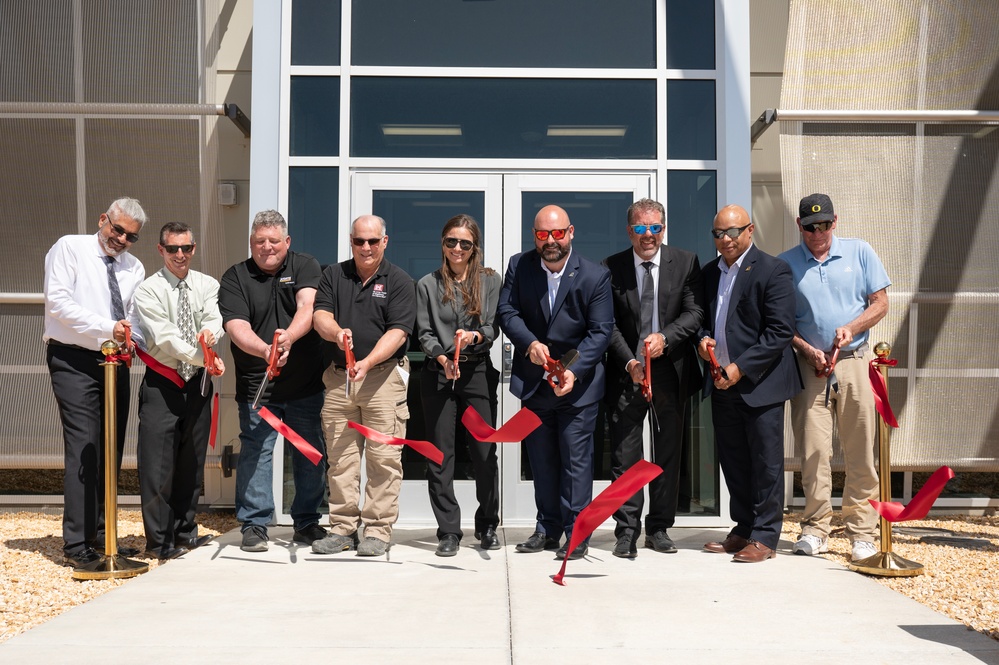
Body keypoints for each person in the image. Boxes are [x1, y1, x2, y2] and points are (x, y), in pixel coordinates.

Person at [497, 204, 614, 561]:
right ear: (534, 236)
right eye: (543, 234)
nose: (551, 241)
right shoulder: (520, 265)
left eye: (558, 233)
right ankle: (546, 528)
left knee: (575, 461)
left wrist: (572, 371)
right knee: (542, 461)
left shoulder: (595, 276)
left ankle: (576, 532)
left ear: (571, 233)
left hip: (577, 387)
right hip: (535, 383)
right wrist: (529, 343)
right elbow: (507, 311)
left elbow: (600, 332)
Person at [779, 193, 891, 562]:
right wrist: (805, 348)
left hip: (855, 360)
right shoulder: (786, 264)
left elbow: (880, 303)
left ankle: (862, 531)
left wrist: (851, 327)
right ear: (800, 226)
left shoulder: (859, 252)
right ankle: (815, 528)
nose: (818, 232)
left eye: (824, 224)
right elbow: (781, 323)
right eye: (810, 226)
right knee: (813, 451)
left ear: (834, 221)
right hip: (810, 367)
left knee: (860, 450)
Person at [44, 197, 148, 568]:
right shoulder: (70, 247)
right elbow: (57, 304)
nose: (120, 239)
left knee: (110, 447)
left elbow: (133, 317)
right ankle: (77, 544)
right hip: (73, 358)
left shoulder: (134, 267)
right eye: (116, 229)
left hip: (115, 362)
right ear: (103, 219)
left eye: (130, 236)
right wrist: (109, 328)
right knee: (85, 446)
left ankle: (105, 535)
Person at [218, 210, 328, 552]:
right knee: (256, 452)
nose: (267, 247)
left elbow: (307, 306)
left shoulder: (305, 265)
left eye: (274, 241)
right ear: (251, 243)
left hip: (305, 385)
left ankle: (307, 521)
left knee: (310, 453)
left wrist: (289, 339)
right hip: (258, 386)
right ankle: (255, 524)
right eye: (259, 241)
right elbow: (236, 328)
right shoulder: (236, 277)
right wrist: (267, 350)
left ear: (287, 242)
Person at [698, 204, 801, 563]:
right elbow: (704, 319)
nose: (724, 239)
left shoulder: (774, 270)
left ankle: (766, 536)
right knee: (734, 461)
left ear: (750, 230)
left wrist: (740, 368)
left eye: (731, 232)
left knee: (765, 462)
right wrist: (702, 339)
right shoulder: (710, 272)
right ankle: (743, 529)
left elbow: (779, 332)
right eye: (718, 234)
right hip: (721, 382)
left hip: (761, 383)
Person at [310, 215, 417, 558]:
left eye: (373, 241)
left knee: (384, 459)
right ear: (351, 242)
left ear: (385, 242)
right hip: (339, 378)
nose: (366, 247)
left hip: (382, 378)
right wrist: (337, 333)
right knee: (341, 460)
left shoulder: (399, 281)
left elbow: (398, 332)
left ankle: (377, 530)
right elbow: (319, 316)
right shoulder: (333, 275)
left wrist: (367, 362)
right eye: (359, 241)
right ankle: (342, 527)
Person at [603, 198, 704, 558]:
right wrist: (630, 361)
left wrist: (667, 337)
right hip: (628, 371)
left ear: (664, 228)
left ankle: (659, 527)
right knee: (625, 454)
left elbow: (695, 312)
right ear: (630, 230)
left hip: (669, 370)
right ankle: (626, 530)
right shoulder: (611, 268)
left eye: (655, 227)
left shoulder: (686, 262)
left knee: (667, 452)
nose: (649, 236)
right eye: (642, 228)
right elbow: (607, 325)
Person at [134, 222, 225, 560]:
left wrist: (209, 337)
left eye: (186, 248)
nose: (180, 255)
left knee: (192, 463)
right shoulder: (148, 290)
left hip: (198, 383)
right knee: (158, 467)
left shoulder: (207, 284)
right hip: (164, 383)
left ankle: (185, 532)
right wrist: (204, 355)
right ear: (161, 250)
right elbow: (165, 336)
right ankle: (159, 542)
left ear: (194, 248)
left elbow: (214, 320)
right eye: (173, 249)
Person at [416, 214, 502, 557]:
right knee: (440, 456)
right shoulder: (426, 284)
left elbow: (493, 327)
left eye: (465, 243)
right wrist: (443, 359)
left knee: (483, 453)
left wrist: (475, 336)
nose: (457, 248)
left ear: (474, 247)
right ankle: (449, 531)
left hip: (477, 370)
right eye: (451, 241)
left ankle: (488, 524)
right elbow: (423, 332)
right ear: (443, 243)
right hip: (439, 373)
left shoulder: (490, 281)